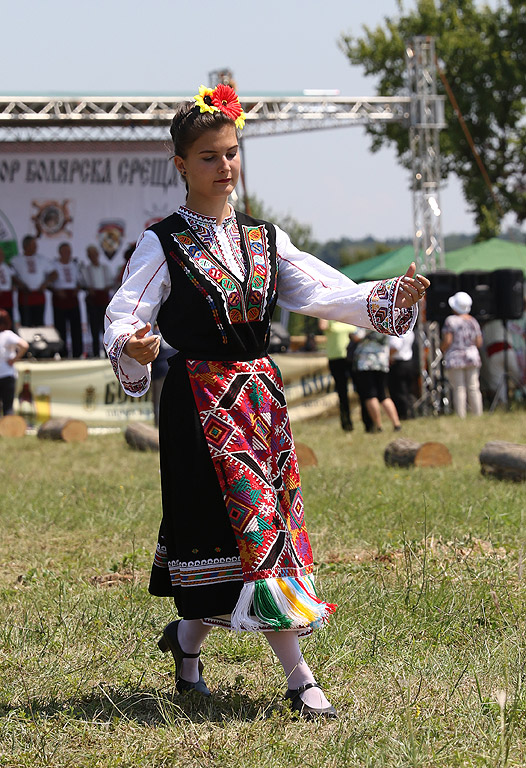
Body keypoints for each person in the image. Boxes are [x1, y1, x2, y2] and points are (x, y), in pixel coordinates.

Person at [104, 83, 429, 718]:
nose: (224, 167)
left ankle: (188, 645)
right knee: (238, 534)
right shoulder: (162, 241)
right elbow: (126, 313)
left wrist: (384, 296)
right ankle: (299, 676)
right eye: (208, 157)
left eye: (231, 153)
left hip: (258, 398)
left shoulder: (264, 239)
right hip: (199, 403)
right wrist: (133, 347)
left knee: (262, 532)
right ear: (181, 165)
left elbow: (321, 291)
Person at [441, 291, 483, 418]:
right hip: (472, 356)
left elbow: (448, 340)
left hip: (456, 357)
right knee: (473, 387)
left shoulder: (451, 321)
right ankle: (478, 414)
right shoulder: (473, 321)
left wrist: (441, 349)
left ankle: (461, 415)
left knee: (459, 387)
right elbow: (479, 342)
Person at [352, 329, 402, 432]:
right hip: (382, 361)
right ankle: (396, 424)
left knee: (370, 396)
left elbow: (357, 336)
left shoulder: (368, 319)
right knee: (383, 395)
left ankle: (378, 426)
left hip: (366, 362)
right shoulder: (385, 321)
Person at [11, 235, 57, 327]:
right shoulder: (16, 260)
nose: (36, 247)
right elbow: (11, 275)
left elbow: (54, 274)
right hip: (25, 296)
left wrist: (45, 284)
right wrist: (20, 284)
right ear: (25, 246)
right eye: (33, 245)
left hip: (39, 295)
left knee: (39, 324)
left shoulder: (42, 259)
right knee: (25, 324)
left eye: (35, 244)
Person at [319, 318, 355, 431]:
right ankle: (347, 424)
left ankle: (370, 424)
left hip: (352, 359)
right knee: (342, 393)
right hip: (336, 360)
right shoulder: (329, 320)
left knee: (363, 391)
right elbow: (322, 326)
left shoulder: (349, 318)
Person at [80, 245, 113, 357]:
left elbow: (110, 283)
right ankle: (95, 353)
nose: (93, 257)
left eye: (95, 254)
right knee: (94, 327)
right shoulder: (86, 270)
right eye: (91, 255)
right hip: (93, 301)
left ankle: (107, 352)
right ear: (88, 256)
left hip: (104, 300)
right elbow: (83, 284)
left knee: (106, 328)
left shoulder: (105, 268)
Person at [51, 242, 83, 358]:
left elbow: (79, 281)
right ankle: (62, 353)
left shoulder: (74, 264)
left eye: (69, 251)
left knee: (76, 326)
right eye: (65, 251)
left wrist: (77, 289)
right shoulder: (53, 264)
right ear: (60, 252)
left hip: (72, 297)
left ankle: (77, 353)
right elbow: (50, 281)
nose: (67, 254)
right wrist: (56, 290)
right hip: (60, 297)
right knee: (60, 327)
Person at [0, 309, 29, 416]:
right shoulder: (8, 335)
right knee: (8, 407)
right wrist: (14, 359)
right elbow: (24, 345)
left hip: (6, 373)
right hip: (7, 373)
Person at [388, 329, 416, 420]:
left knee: (399, 391)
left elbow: (396, 346)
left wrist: (387, 356)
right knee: (407, 391)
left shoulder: (397, 330)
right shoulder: (409, 330)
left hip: (398, 363)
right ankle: (410, 412)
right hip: (408, 362)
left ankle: (404, 414)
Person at [0, 247, 16, 324]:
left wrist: (13, 285)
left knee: (8, 317)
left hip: (7, 296)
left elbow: (13, 277)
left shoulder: (6, 266)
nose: (2, 256)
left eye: (2, 254)